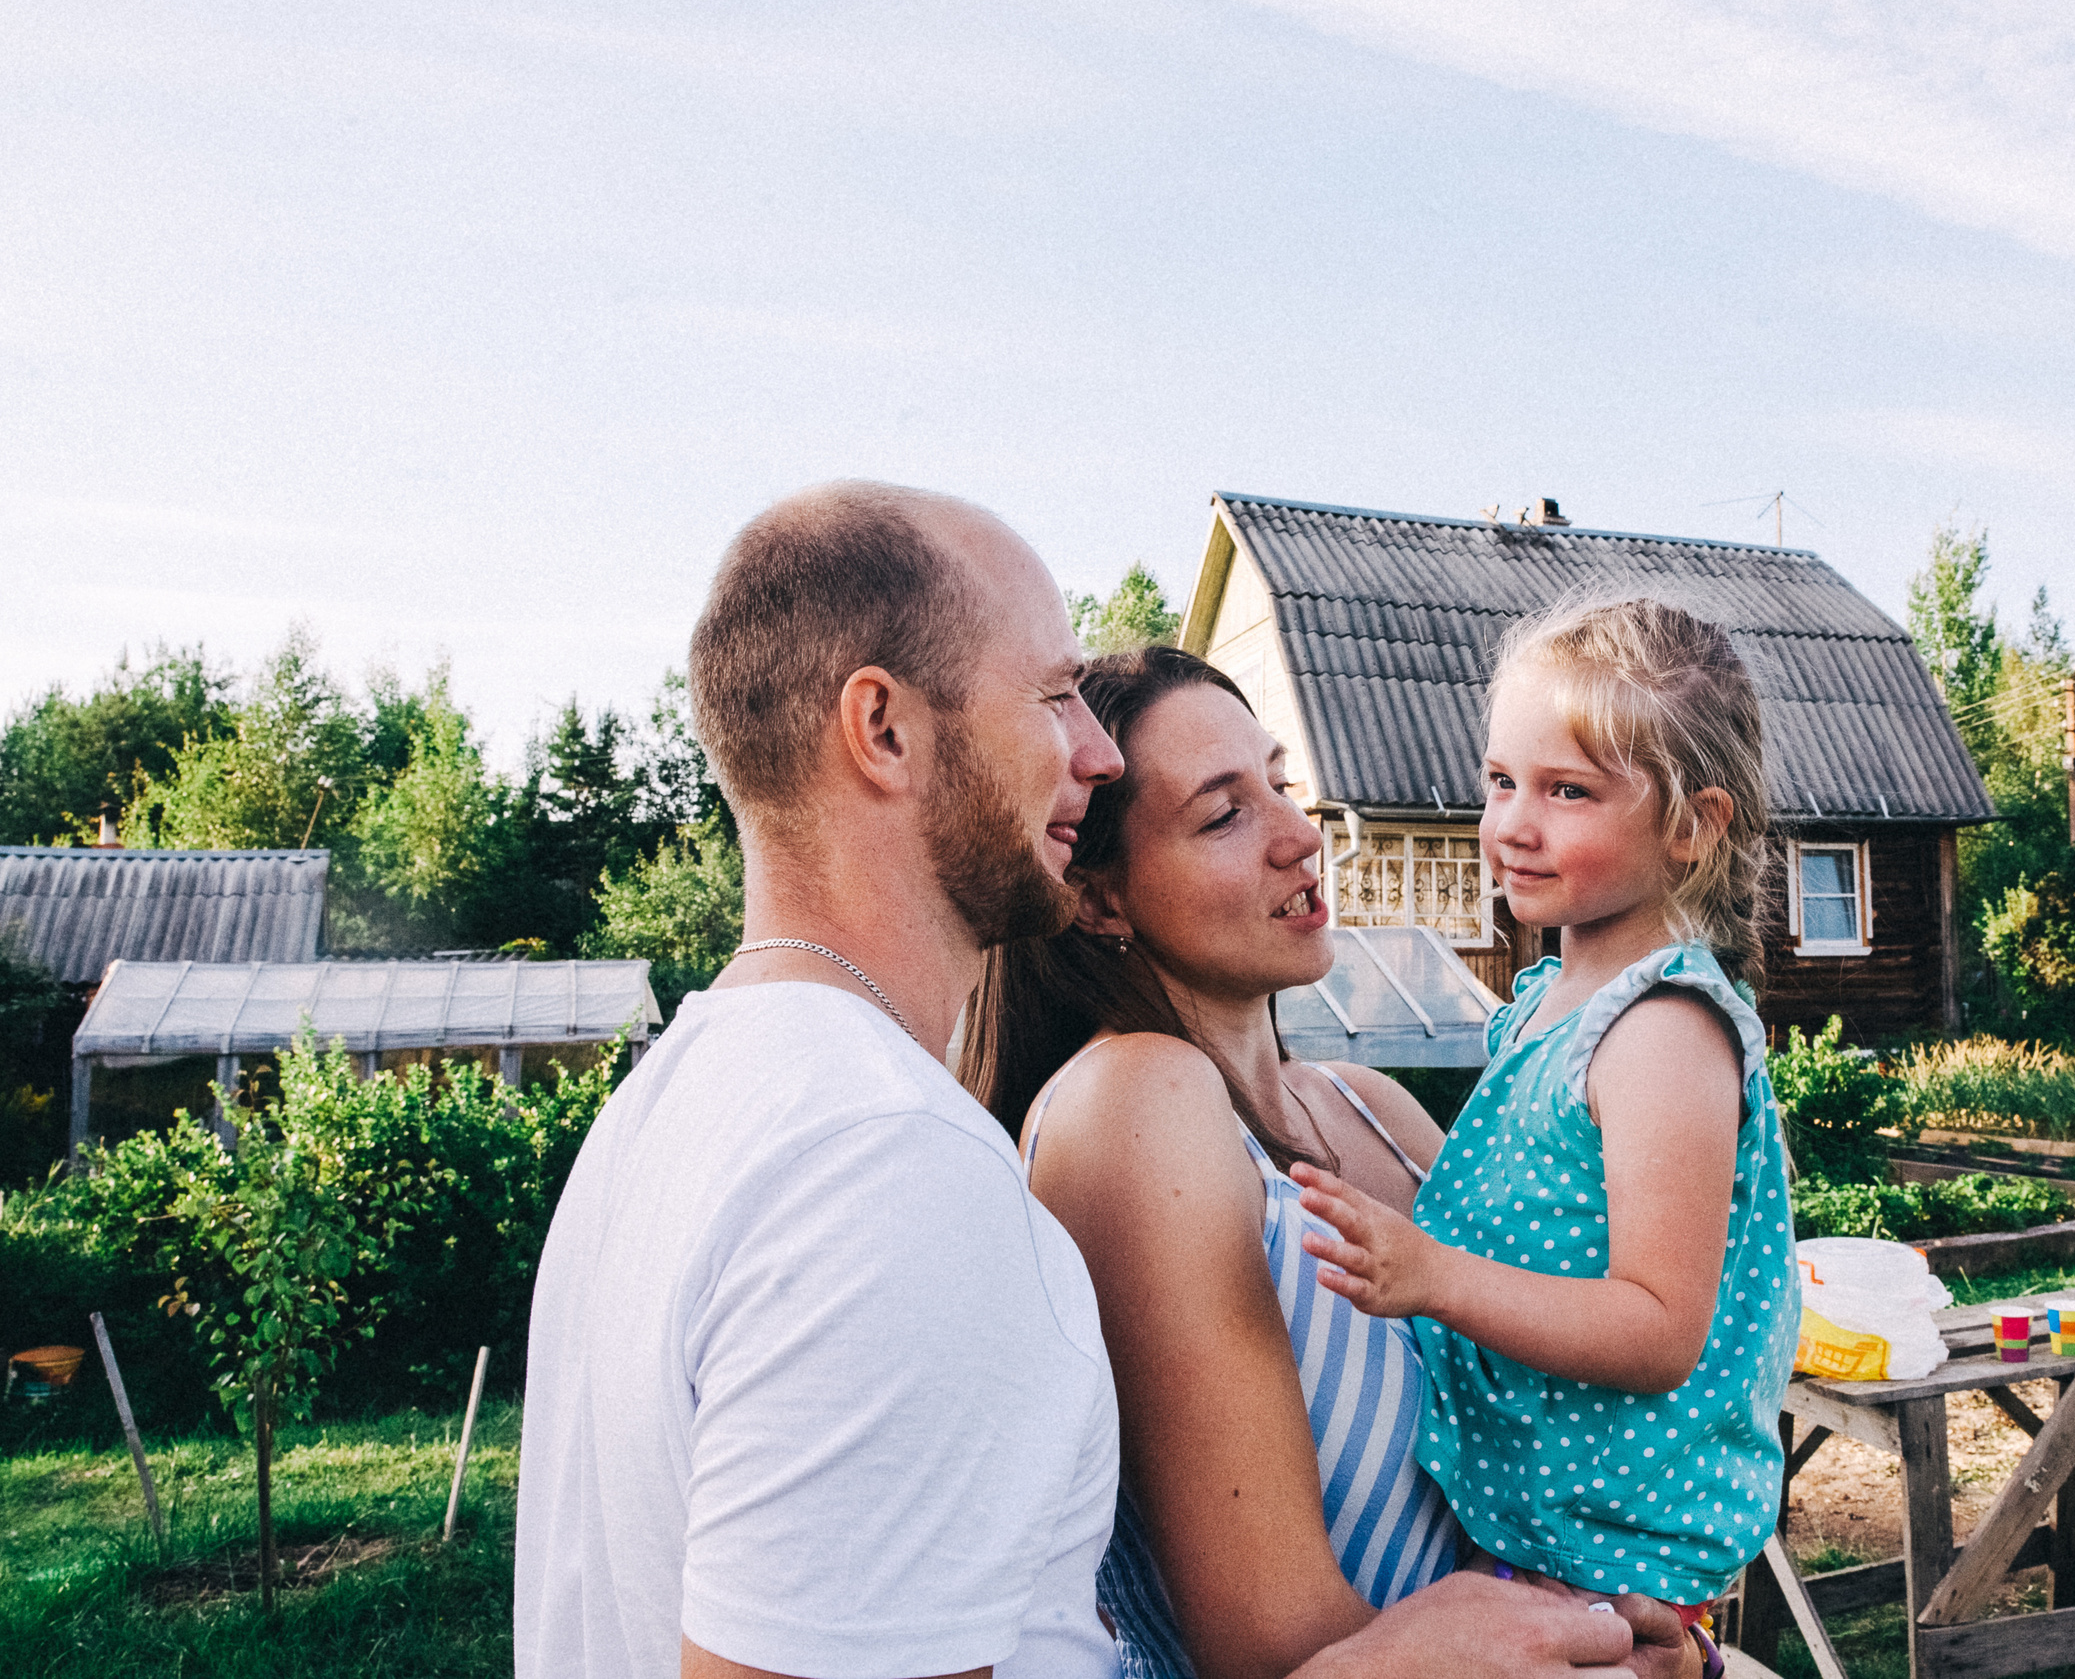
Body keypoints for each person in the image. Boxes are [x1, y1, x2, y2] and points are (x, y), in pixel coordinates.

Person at [515, 480, 1650, 1679]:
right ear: (883, 729)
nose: (1093, 754)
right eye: (1053, 697)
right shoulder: (885, 1163)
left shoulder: (664, 1115)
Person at [962, 646, 1698, 1679]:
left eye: (1279, 784)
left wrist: (1627, 1622)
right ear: (1098, 902)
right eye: (1223, 815)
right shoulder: (1134, 1101)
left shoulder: (1372, 1108)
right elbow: (1273, 1645)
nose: (1300, 837)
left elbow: (1545, 1420)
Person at [1290, 597, 1802, 1647]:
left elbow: (1658, 1329)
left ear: (1691, 825)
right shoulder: (1545, 1001)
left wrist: (1431, 1277)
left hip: (1609, 1571)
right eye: (1500, 781)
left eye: (1567, 791)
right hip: (1539, 1535)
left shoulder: (1660, 1028)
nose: (1512, 824)